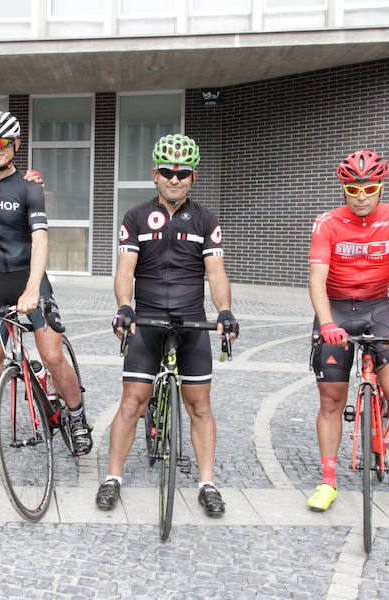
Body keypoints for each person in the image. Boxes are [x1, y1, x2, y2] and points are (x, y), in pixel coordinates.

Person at [97, 133, 238, 518]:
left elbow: (216, 272)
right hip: (147, 319)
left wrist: (223, 310)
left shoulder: (206, 219)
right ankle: (112, 478)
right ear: (154, 174)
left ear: (193, 177)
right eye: (166, 172)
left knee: (200, 406)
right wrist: (124, 307)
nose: (174, 179)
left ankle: (207, 484)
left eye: (183, 173)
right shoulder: (136, 217)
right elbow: (125, 270)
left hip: (192, 321)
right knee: (132, 402)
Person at [0, 110, 93, 481]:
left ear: (14, 145)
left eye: (2, 143)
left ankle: (76, 416)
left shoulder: (30, 186)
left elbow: (41, 238)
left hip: (29, 280)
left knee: (51, 356)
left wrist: (33, 288)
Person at [306, 149, 389, 511]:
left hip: (378, 307)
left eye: (369, 189)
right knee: (332, 399)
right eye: (353, 190)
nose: (361, 197)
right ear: (344, 189)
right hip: (336, 308)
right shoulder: (327, 223)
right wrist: (326, 324)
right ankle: (327, 481)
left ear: (380, 187)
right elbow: (316, 281)